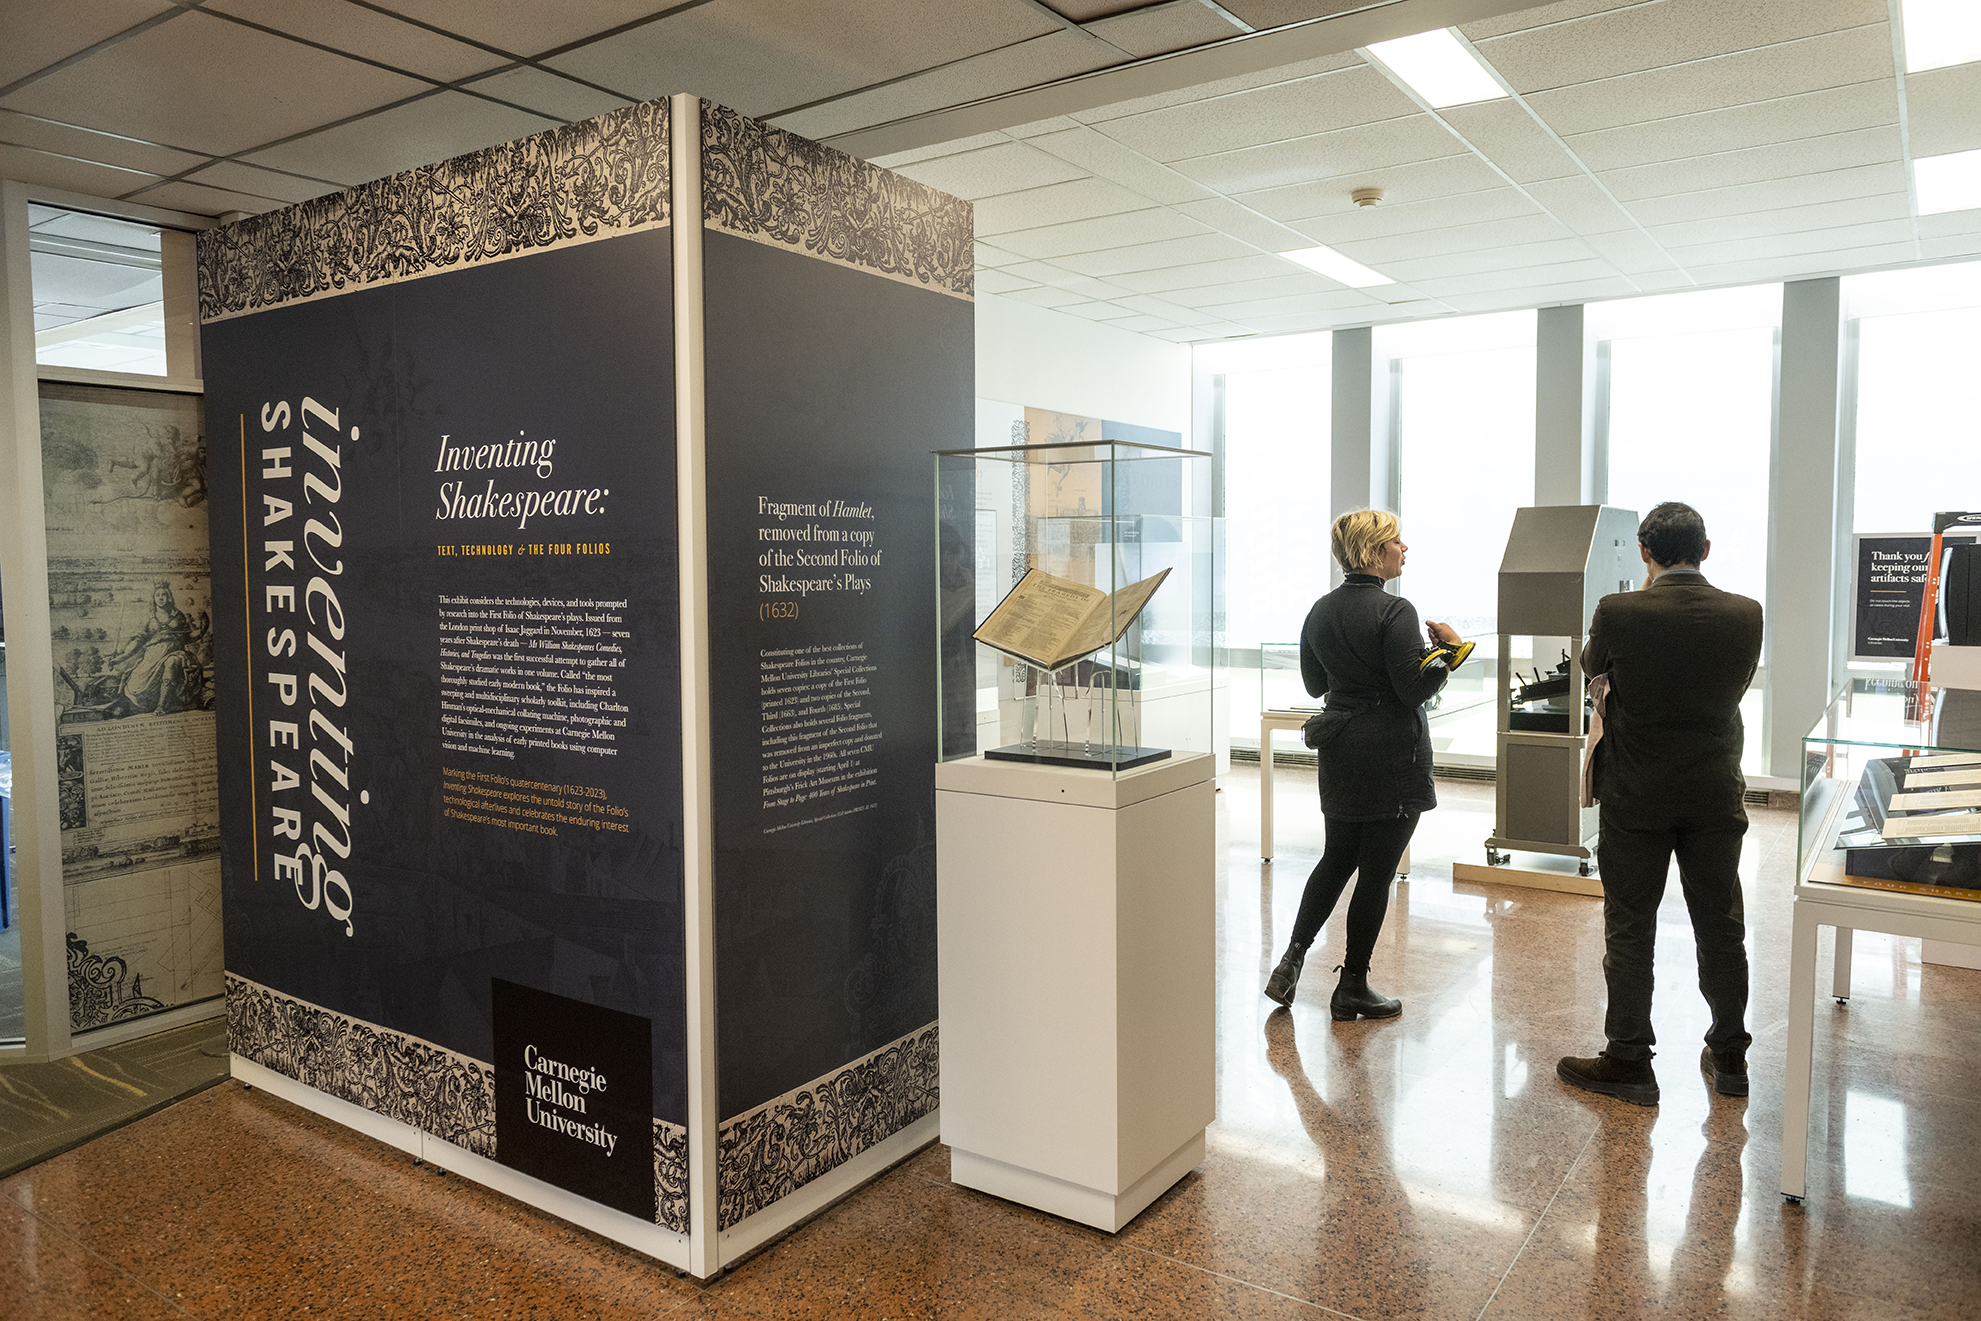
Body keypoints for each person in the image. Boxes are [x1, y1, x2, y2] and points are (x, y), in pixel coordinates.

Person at [1557, 502, 1764, 1106]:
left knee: (1629, 924)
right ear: (1707, 548)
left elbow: (1593, 669)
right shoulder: (1744, 614)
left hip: (1635, 794)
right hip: (1713, 793)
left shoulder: (1620, 610)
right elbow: (1736, 685)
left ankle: (1627, 1059)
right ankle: (1728, 1054)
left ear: (1645, 553)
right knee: (1721, 925)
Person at [1264, 509, 1467, 1020]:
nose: (1405, 549)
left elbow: (1315, 684)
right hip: (1392, 752)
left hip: (1341, 747)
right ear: (1376, 552)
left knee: (1336, 858)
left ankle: (1291, 959)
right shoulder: (1395, 610)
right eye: (1397, 542)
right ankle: (1352, 985)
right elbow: (1412, 688)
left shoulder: (1320, 609)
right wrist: (1450, 653)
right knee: (1376, 874)